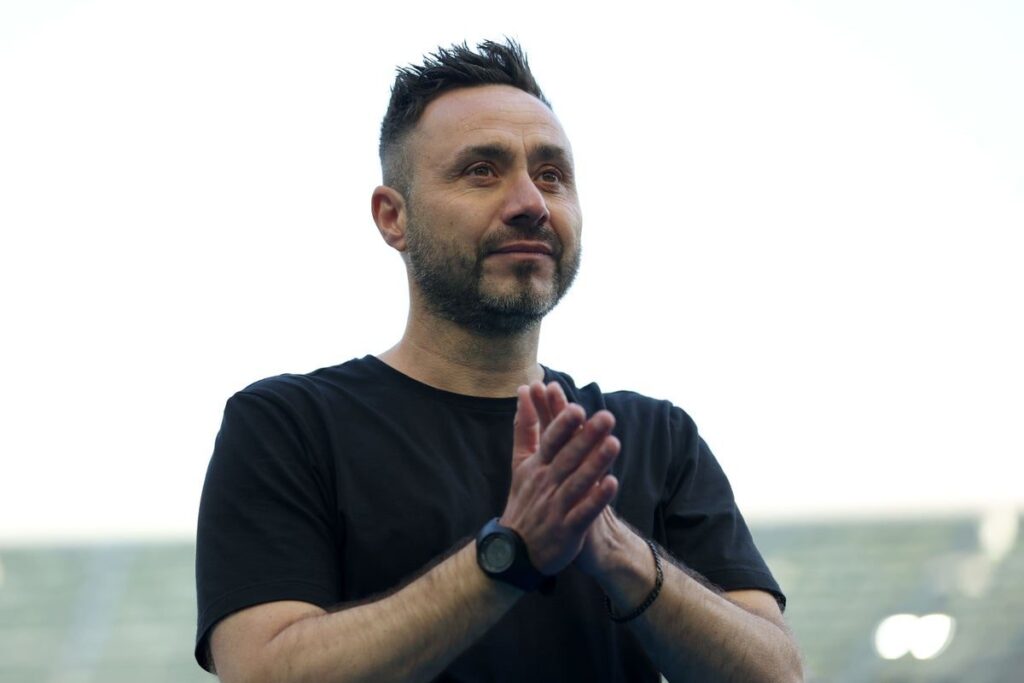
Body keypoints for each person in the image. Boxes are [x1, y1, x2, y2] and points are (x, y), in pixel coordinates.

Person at [195, 40, 803, 683]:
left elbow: (779, 674)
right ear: (392, 218)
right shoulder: (287, 427)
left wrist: (616, 551)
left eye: (551, 175)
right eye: (482, 171)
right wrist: (511, 554)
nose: (530, 203)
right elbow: (263, 672)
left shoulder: (655, 436)